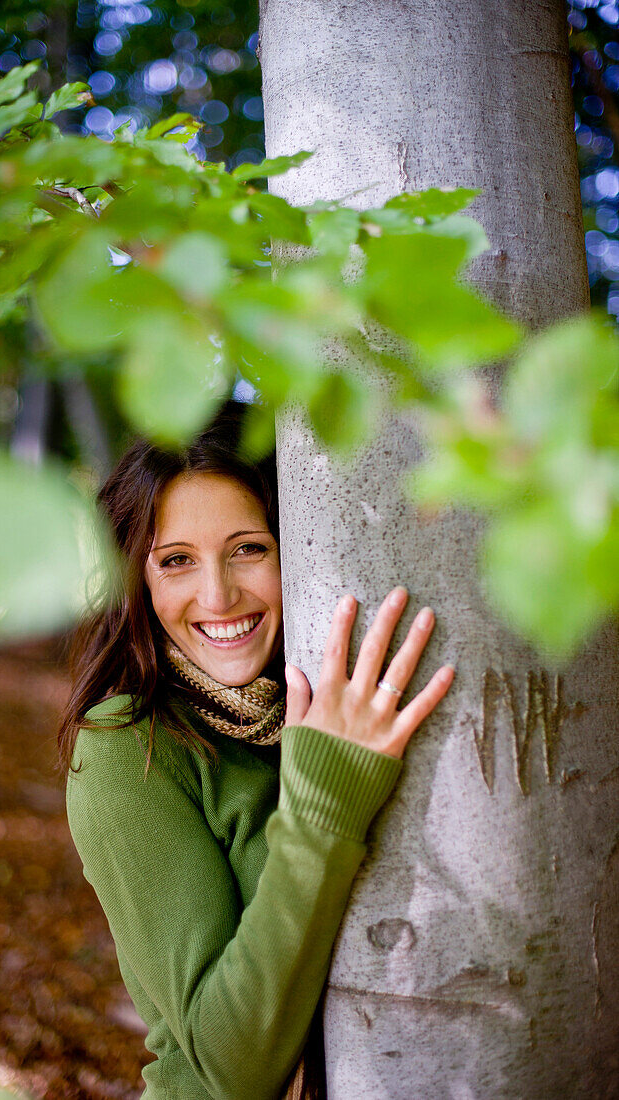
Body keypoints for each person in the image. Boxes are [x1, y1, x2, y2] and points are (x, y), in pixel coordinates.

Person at [59, 400, 454, 1100]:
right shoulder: (126, 749)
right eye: (176, 561)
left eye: (249, 548)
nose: (218, 595)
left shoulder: (313, 702)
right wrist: (326, 802)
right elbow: (231, 1068)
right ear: (138, 581)